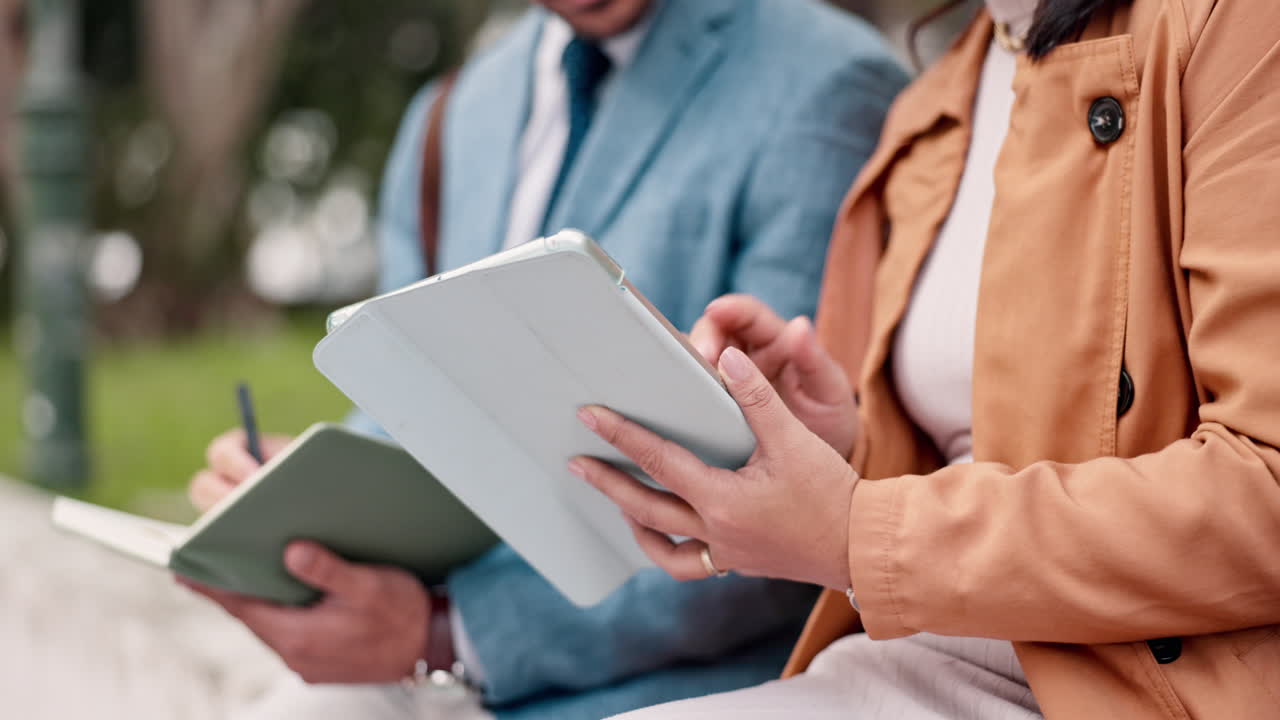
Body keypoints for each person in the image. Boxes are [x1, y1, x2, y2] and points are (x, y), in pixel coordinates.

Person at [185, 1, 907, 719]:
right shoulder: (453, 113)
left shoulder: (828, 84)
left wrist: (445, 634)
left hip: (680, 687)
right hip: (417, 664)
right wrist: (317, 497)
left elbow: (803, 501)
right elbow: (414, 398)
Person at [575, 0, 1280, 717]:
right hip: (933, 653)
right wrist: (844, 445)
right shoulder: (934, 104)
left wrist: (857, 532)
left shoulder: (1233, 23)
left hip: (1143, 680)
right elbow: (988, 458)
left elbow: (1268, 488)